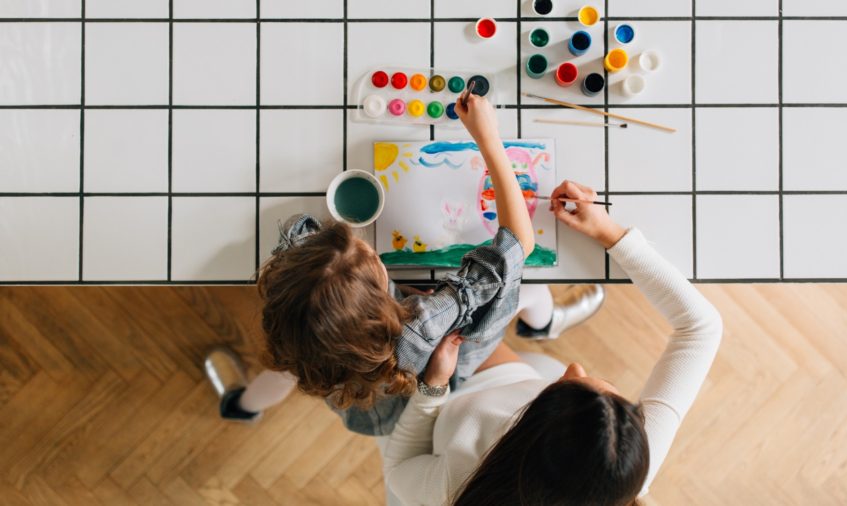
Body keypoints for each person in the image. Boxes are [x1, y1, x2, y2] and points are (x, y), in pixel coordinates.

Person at [203, 94, 605, 436]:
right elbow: (517, 242)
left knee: (282, 374)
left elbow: (297, 231)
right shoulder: (423, 324)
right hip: (448, 370)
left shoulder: (297, 327)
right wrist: (488, 138)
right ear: (382, 297)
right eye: (372, 259)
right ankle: (543, 324)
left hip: (362, 408)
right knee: (533, 290)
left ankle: (242, 407)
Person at [382, 180, 724, 505]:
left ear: (528, 430)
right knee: (524, 291)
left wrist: (433, 388)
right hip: (509, 378)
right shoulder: (625, 461)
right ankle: (546, 323)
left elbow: (398, 469)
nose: (574, 366)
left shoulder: (464, 484)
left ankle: (544, 322)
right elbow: (701, 328)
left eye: (566, 387)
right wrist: (611, 235)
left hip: (438, 405)